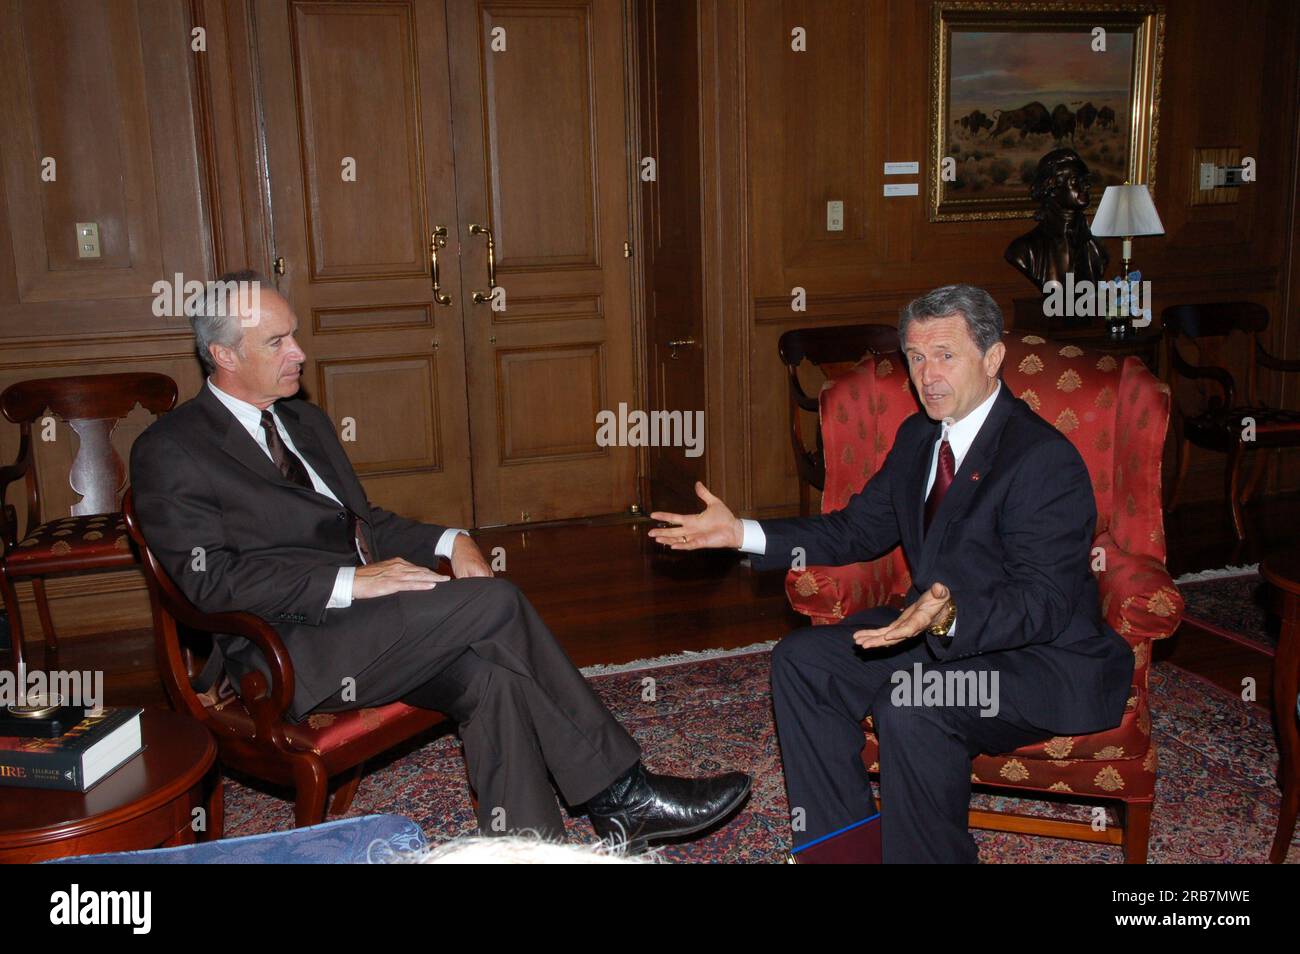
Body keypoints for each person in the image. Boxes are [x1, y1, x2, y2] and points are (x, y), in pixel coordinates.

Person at [129, 269, 750, 848]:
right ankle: (621, 792)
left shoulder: (303, 421)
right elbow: (209, 581)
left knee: (493, 677)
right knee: (497, 603)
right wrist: (350, 582)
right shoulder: (173, 449)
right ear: (225, 356)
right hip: (288, 648)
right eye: (277, 342)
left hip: (366, 628)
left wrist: (453, 540)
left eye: (294, 335)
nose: (299, 353)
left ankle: (523, 850)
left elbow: (362, 524)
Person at [649, 284, 1133, 862]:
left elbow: (1045, 603)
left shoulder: (1041, 460)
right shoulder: (919, 437)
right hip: (936, 632)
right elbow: (854, 530)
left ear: (993, 358)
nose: (928, 374)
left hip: (1041, 659)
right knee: (803, 662)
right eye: (916, 357)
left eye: (946, 355)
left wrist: (951, 614)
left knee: (913, 701)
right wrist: (742, 534)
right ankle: (842, 851)